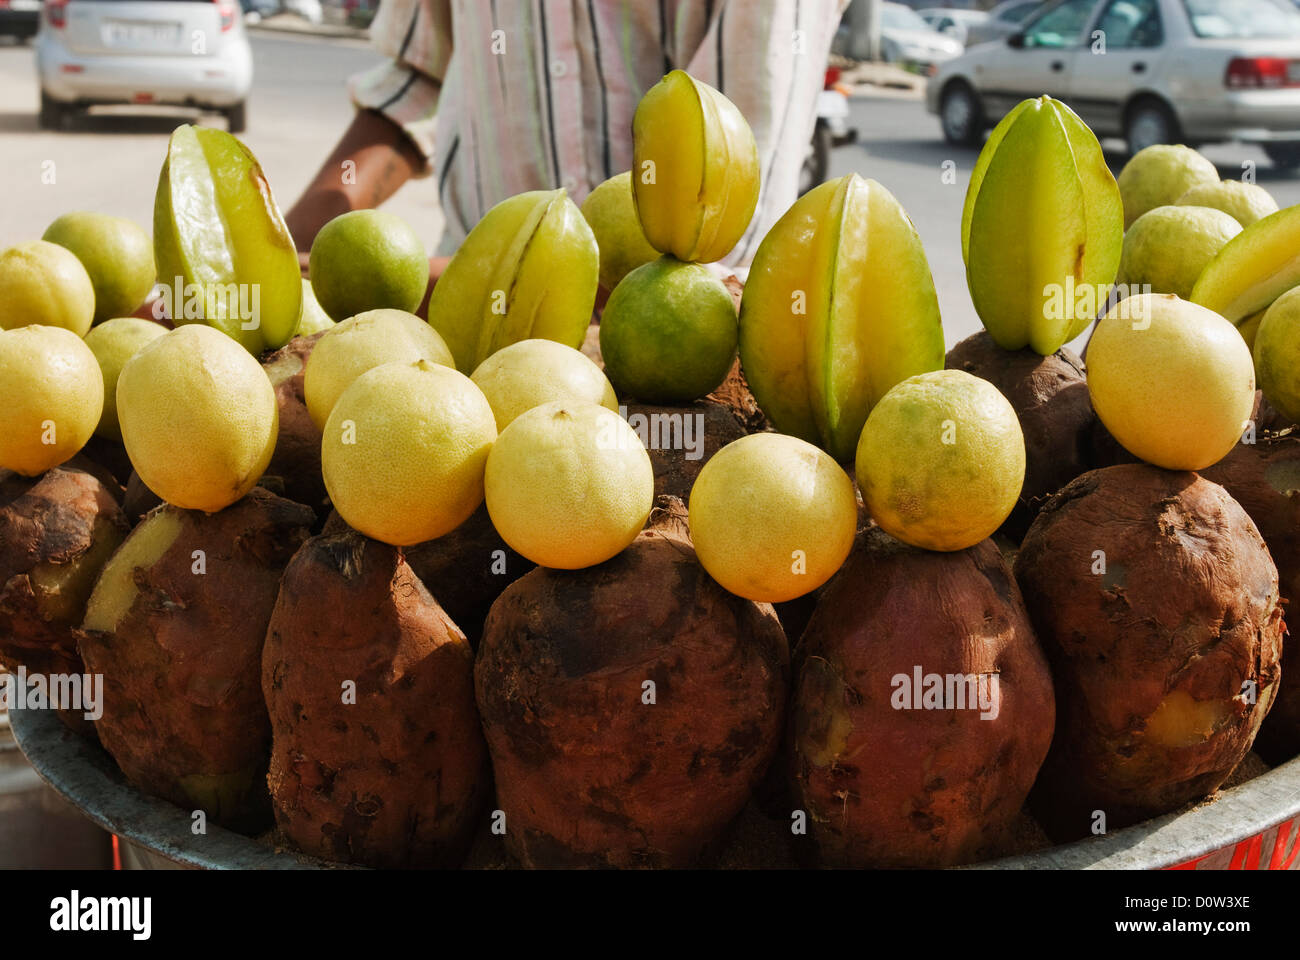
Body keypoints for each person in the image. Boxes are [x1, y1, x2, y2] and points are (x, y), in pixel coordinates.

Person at [284, 0, 845, 285]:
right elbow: (419, 76)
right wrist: (280, 255)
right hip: (461, 345)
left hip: (686, 360)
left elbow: (720, 197)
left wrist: (450, 281)